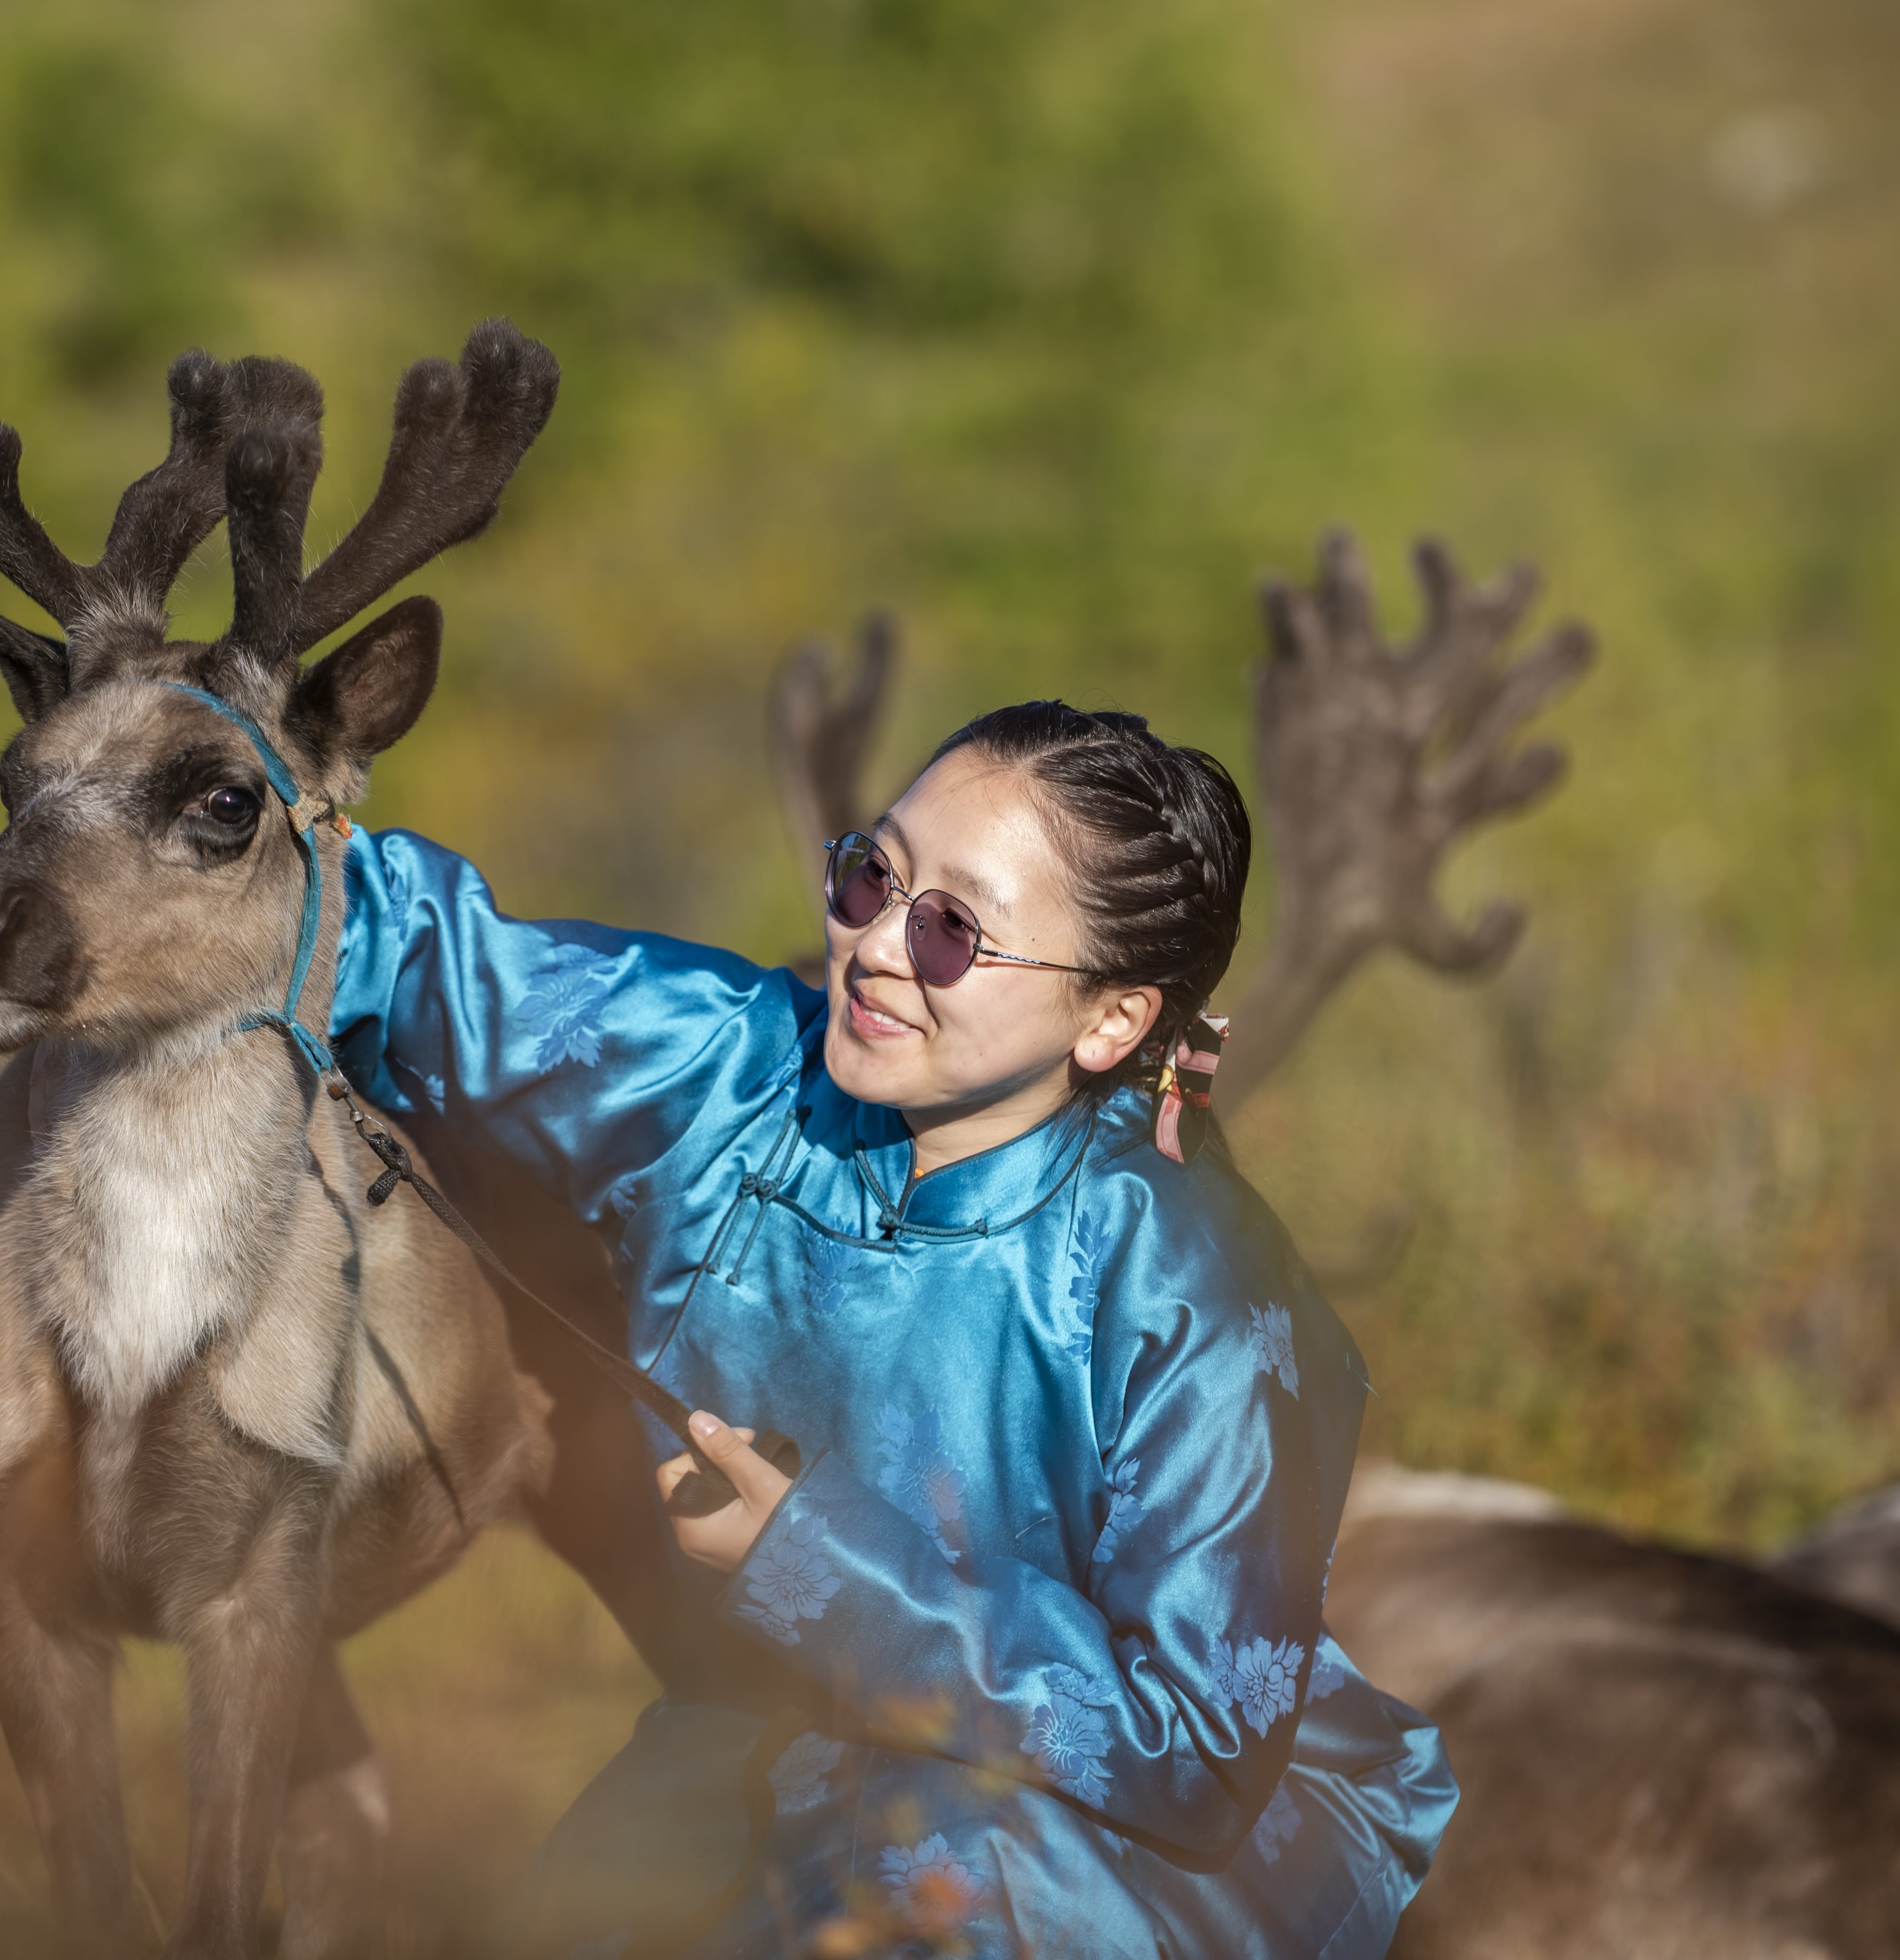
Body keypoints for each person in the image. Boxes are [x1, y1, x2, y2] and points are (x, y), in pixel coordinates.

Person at [329, 700, 1455, 1957]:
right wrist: (194, 778)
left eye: (951, 930)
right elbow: (415, 952)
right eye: (873, 876)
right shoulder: (736, 1075)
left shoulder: (1194, 1278)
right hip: (760, 1738)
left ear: (1111, 1023)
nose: (871, 946)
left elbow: (1193, 1745)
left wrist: (812, 1563)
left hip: (1130, 1835)